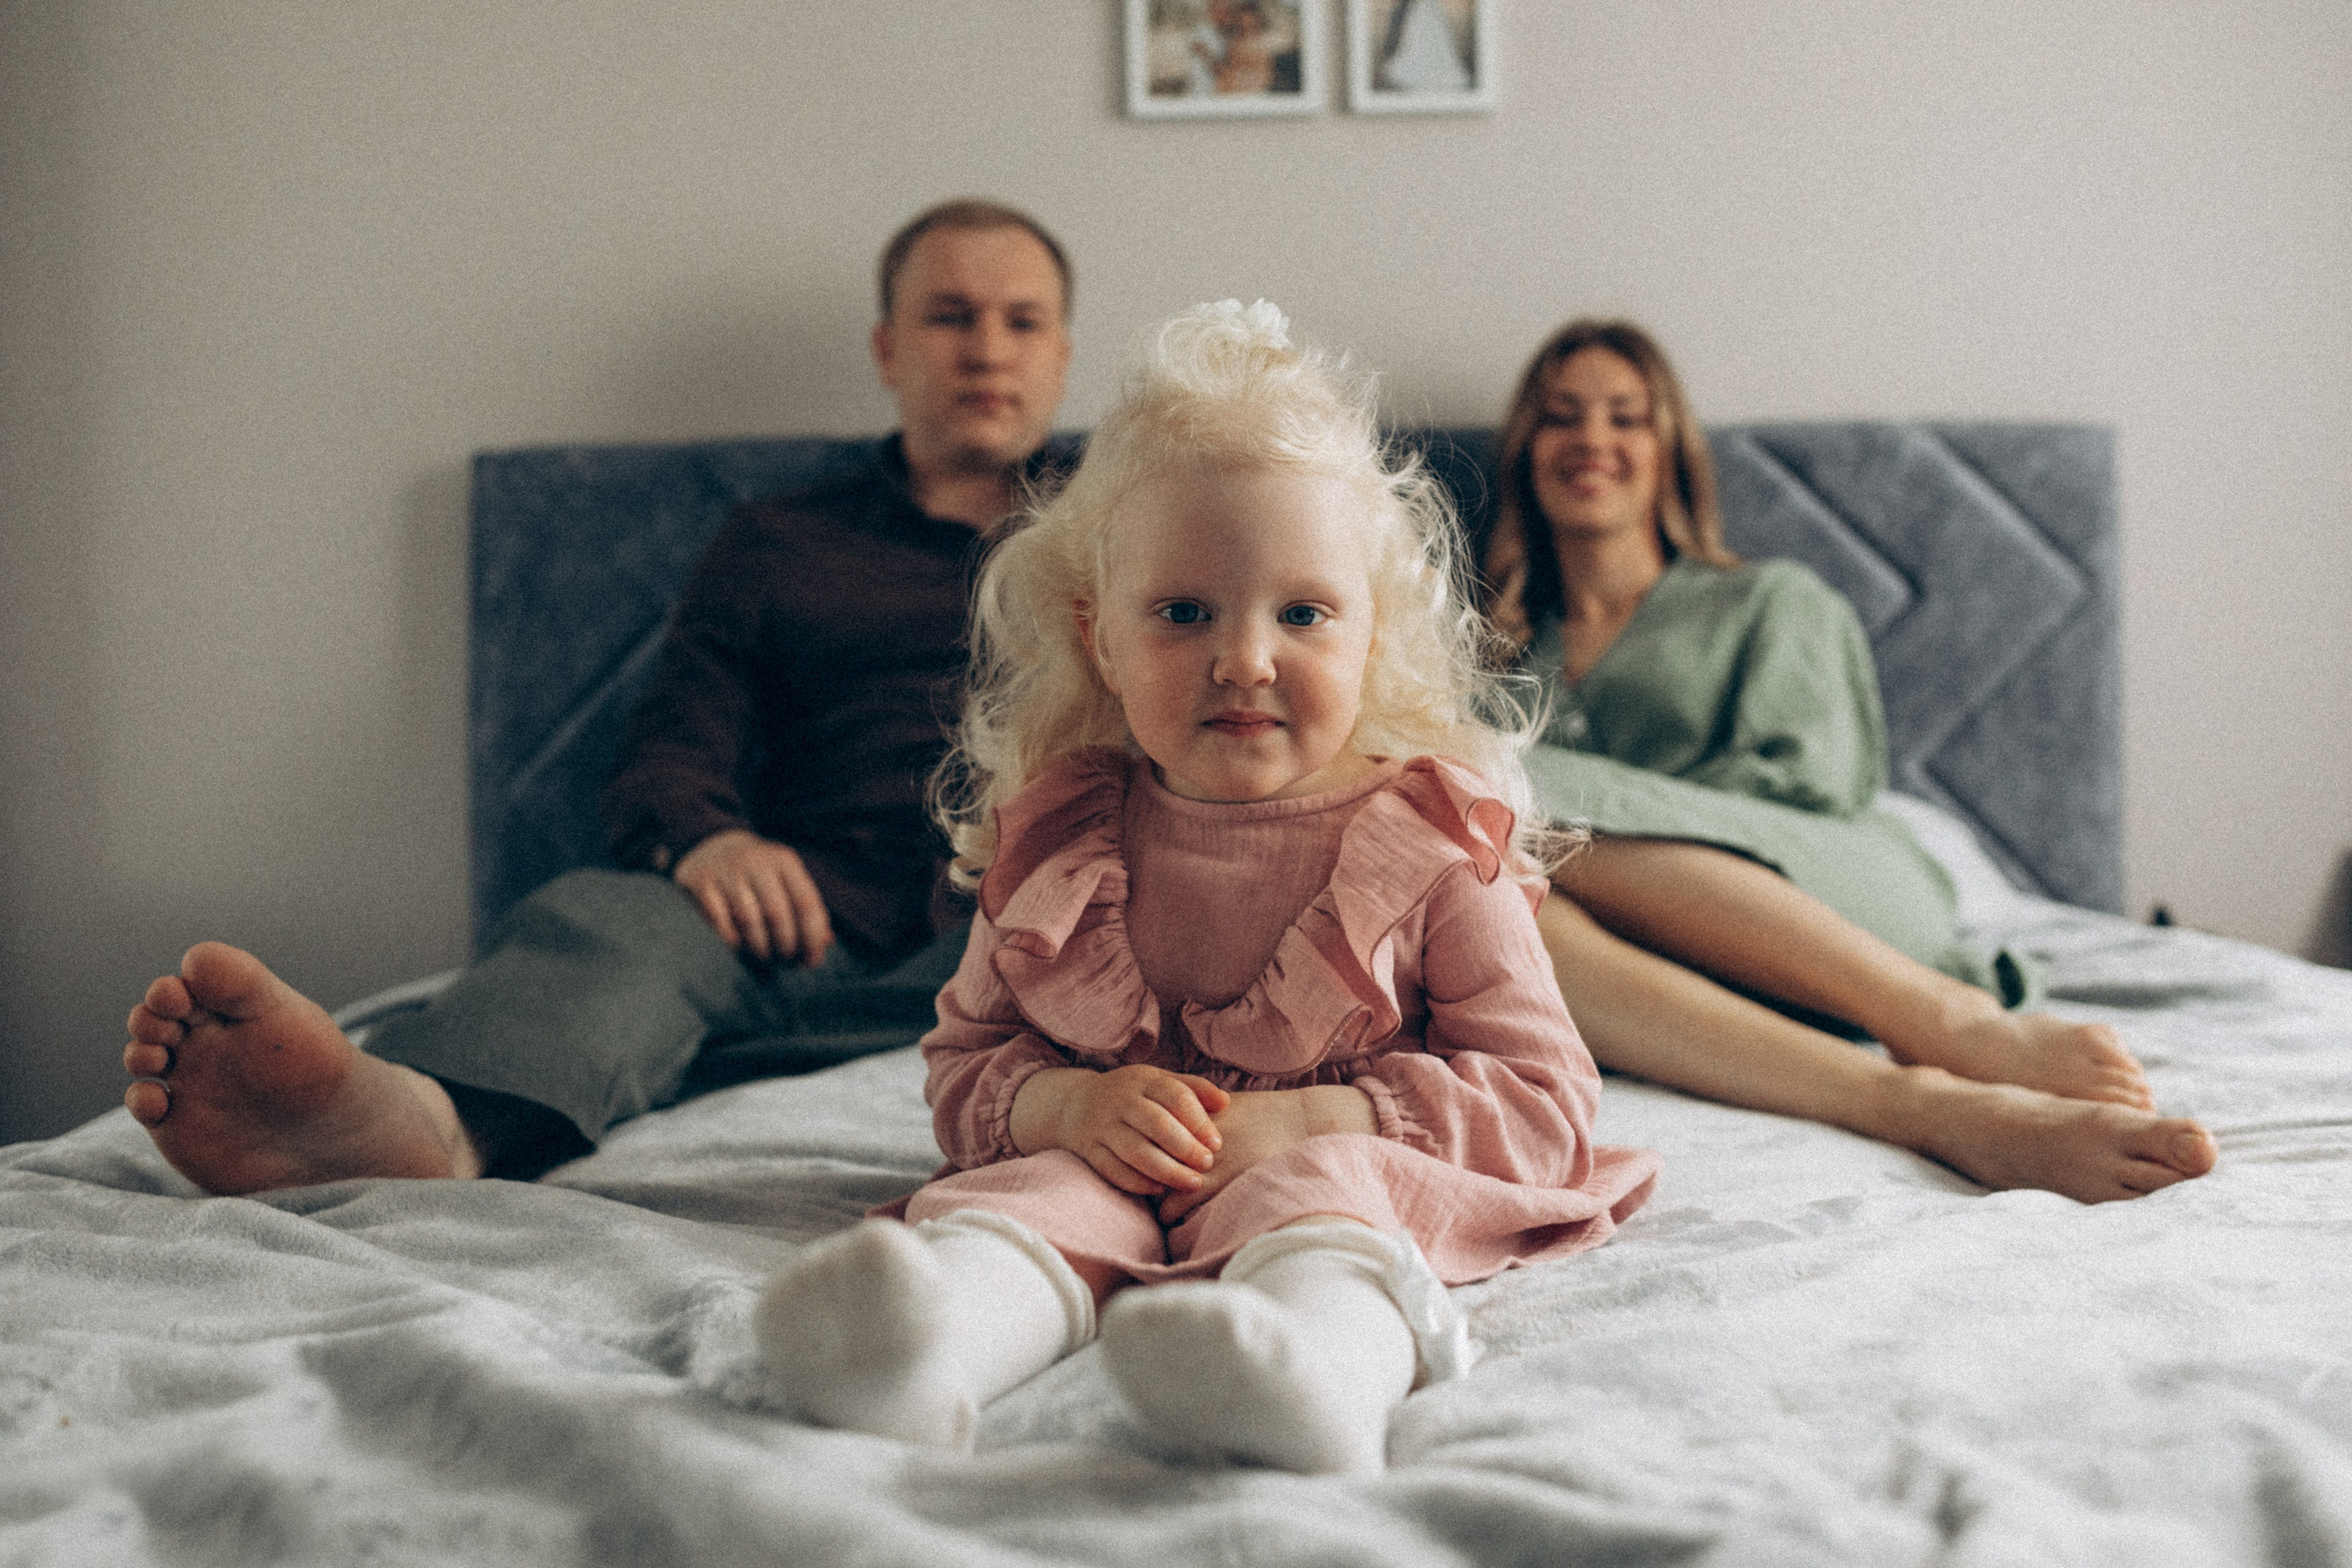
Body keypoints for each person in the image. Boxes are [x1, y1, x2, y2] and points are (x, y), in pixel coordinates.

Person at [751, 300, 1658, 1474]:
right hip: (1113, 1163)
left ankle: (1310, 1377)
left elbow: (1542, 1103)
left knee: (1326, 1208)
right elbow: (966, 1064)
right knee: (1033, 1201)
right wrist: (1067, 1110)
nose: (1245, 657)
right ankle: (918, 1354)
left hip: (1331, 1170)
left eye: (1303, 613)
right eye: (1182, 614)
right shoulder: (1064, 837)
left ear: (1371, 632)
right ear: (1101, 638)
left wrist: (1317, 1117)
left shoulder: (1425, 842)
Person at [119, 198, 1077, 1191]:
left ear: (1061, 352)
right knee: (603, 920)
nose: (986, 351)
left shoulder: (1126, 534)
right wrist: (710, 839)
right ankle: (421, 1126)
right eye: (949, 316)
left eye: (1022, 322)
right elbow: (671, 744)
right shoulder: (775, 540)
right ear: (886, 349)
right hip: (796, 928)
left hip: (1029, 934)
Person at [1485, 318, 2218, 1205]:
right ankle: (1916, 1104)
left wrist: (1584, 814)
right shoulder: (1503, 657)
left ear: (1670, 449)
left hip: (1825, 904)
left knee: (1482, 792)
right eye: (1562, 416)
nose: (1591, 438)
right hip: (1642, 968)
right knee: (1489, 887)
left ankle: (1954, 1024)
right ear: (1528, 450)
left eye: (1626, 416)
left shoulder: (1769, 600)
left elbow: (1814, 783)